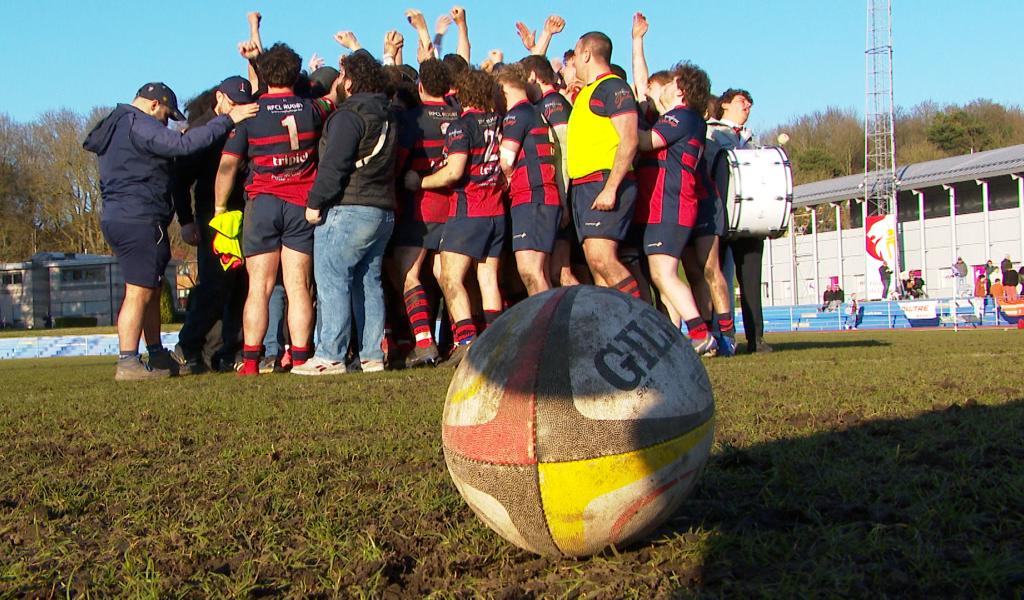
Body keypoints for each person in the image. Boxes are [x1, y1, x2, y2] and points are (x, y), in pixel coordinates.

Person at [83, 82, 257, 381]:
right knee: (138, 293)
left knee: (149, 289)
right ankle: (127, 361)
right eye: (165, 116)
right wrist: (229, 119)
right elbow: (181, 146)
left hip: (120, 216)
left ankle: (158, 355)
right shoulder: (136, 122)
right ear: (153, 105)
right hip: (140, 218)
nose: (165, 123)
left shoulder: (116, 126)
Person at [215, 42, 338, 376]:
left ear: (265, 76)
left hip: (263, 204)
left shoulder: (251, 114)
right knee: (299, 286)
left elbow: (228, 166)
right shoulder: (313, 109)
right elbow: (335, 96)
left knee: (259, 287)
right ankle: (299, 359)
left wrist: (219, 208)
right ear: (297, 73)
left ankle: (252, 362)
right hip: (301, 205)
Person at [292, 50, 397, 376]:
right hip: (382, 211)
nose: (337, 81)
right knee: (369, 283)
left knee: (332, 281)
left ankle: (330, 355)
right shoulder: (387, 114)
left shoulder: (348, 116)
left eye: (341, 76)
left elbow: (334, 165)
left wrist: (315, 202)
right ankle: (371, 356)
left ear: (350, 82)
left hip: (347, 209)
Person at [404, 69, 504, 366]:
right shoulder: (498, 121)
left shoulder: (462, 126)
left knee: (449, 276)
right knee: (487, 280)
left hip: (469, 209)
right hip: (496, 211)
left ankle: (467, 343)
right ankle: (496, 346)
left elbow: (455, 171)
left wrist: (419, 182)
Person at [173, 77, 256, 375]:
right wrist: (186, 221)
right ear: (219, 98)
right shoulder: (201, 130)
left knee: (239, 285)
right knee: (214, 284)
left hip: (243, 211)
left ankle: (224, 351)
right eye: (234, 105)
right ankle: (188, 346)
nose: (239, 111)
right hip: (212, 215)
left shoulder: (245, 120)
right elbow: (181, 180)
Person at [634, 61, 717, 355]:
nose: (665, 86)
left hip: (671, 206)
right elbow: (643, 89)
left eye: (672, 83)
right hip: (673, 206)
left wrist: (617, 118)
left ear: (681, 91)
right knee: (664, 274)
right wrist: (637, 42)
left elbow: (644, 141)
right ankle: (682, 336)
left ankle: (699, 332)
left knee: (663, 273)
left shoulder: (681, 118)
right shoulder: (688, 118)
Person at [389, 58, 460, 368]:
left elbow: (399, 160)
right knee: (447, 275)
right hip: (456, 205)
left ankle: (424, 342)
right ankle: (463, 339)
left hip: (421, 204)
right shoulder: (459, 116)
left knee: (409, 273)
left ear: (420, 87)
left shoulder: (413, 119)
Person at [566, 31, 640, 298]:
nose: (572, 61)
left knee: (602, 258)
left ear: (586, 54)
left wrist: (611, 188)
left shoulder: (613, 87)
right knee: (596, 267)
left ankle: (645, 327)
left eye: (574, 54)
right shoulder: (588, 92)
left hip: (603, 181)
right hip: (584, 187)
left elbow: (629, 139)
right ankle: (614, 333)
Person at [496, 64, 561, 295]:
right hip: (544, 196)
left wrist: (506, 180)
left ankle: (545, 328)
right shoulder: (535, 112)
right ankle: (549, 324)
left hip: (532, 196)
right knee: (540, 272)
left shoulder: (517, 114)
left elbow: (506, 159)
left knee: (530, 271)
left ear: (503, 88)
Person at [703, 89, 756, 353]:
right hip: (718, 213)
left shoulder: (748, 138)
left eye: (749, 102)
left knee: (732, 274)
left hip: (743, 217)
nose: (747, 105)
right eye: (741, 101)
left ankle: (747, 336)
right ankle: (718, 331)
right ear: (724, 105)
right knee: (715, 272)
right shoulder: (712, 133)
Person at [520, 54, 578, 287]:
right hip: (557, 196)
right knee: (551, 272)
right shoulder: (542, 105)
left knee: (560, 272)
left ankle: (590, 320)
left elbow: (563, 154)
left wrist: (563, 199)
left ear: (532, 77)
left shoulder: (552, 104)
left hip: (561, 195)